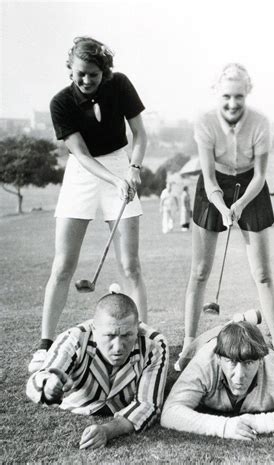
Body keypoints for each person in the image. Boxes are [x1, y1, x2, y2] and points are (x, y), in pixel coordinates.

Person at [29, 36, 148, 373]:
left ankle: (139, 343)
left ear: (104, 72)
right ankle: (45, 345)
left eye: (93, 75)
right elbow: (79, 153)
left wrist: (133, 170)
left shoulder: (120, 84)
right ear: (71, 69)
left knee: (130, 266)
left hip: (120, 164)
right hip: (83, 173)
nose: (85, 80)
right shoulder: (60, 103)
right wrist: (115, 180)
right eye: (80, 74)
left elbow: (140, 134)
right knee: (63, 265)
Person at [181, 63, 274, 357]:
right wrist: (221, 205)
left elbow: (260, 176)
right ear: (217, 93)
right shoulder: (204, 123)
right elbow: (210, 178)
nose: (232, 103)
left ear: (247, 93)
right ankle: (189, 342)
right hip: (214, 184)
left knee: (263, 273)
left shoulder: (261, 123)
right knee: (200, 272)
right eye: (226, 96)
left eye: (239, 96)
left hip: (251, 184)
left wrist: (239, 205)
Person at [26, 293, 169, 449]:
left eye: (127, 335)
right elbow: (39, 378)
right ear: (94, 328)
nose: (118, 347)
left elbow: (148, 405)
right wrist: (48, 385)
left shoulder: (154, 344)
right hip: (77, 406)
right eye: (110, 335)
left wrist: (108, 431)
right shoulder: (74, 338)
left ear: (138, 328)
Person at [161, 321, 274, 439]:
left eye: (248, 363)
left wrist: (256, 422)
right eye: (231, 362)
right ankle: (236, 322)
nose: (239, 375)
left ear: (261, 360)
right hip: (207, 340)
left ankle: (242, 322)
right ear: (219, 359)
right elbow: (170, 412)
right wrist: (224, 427)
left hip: (261, 344)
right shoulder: (205, 363)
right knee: (184, 362)